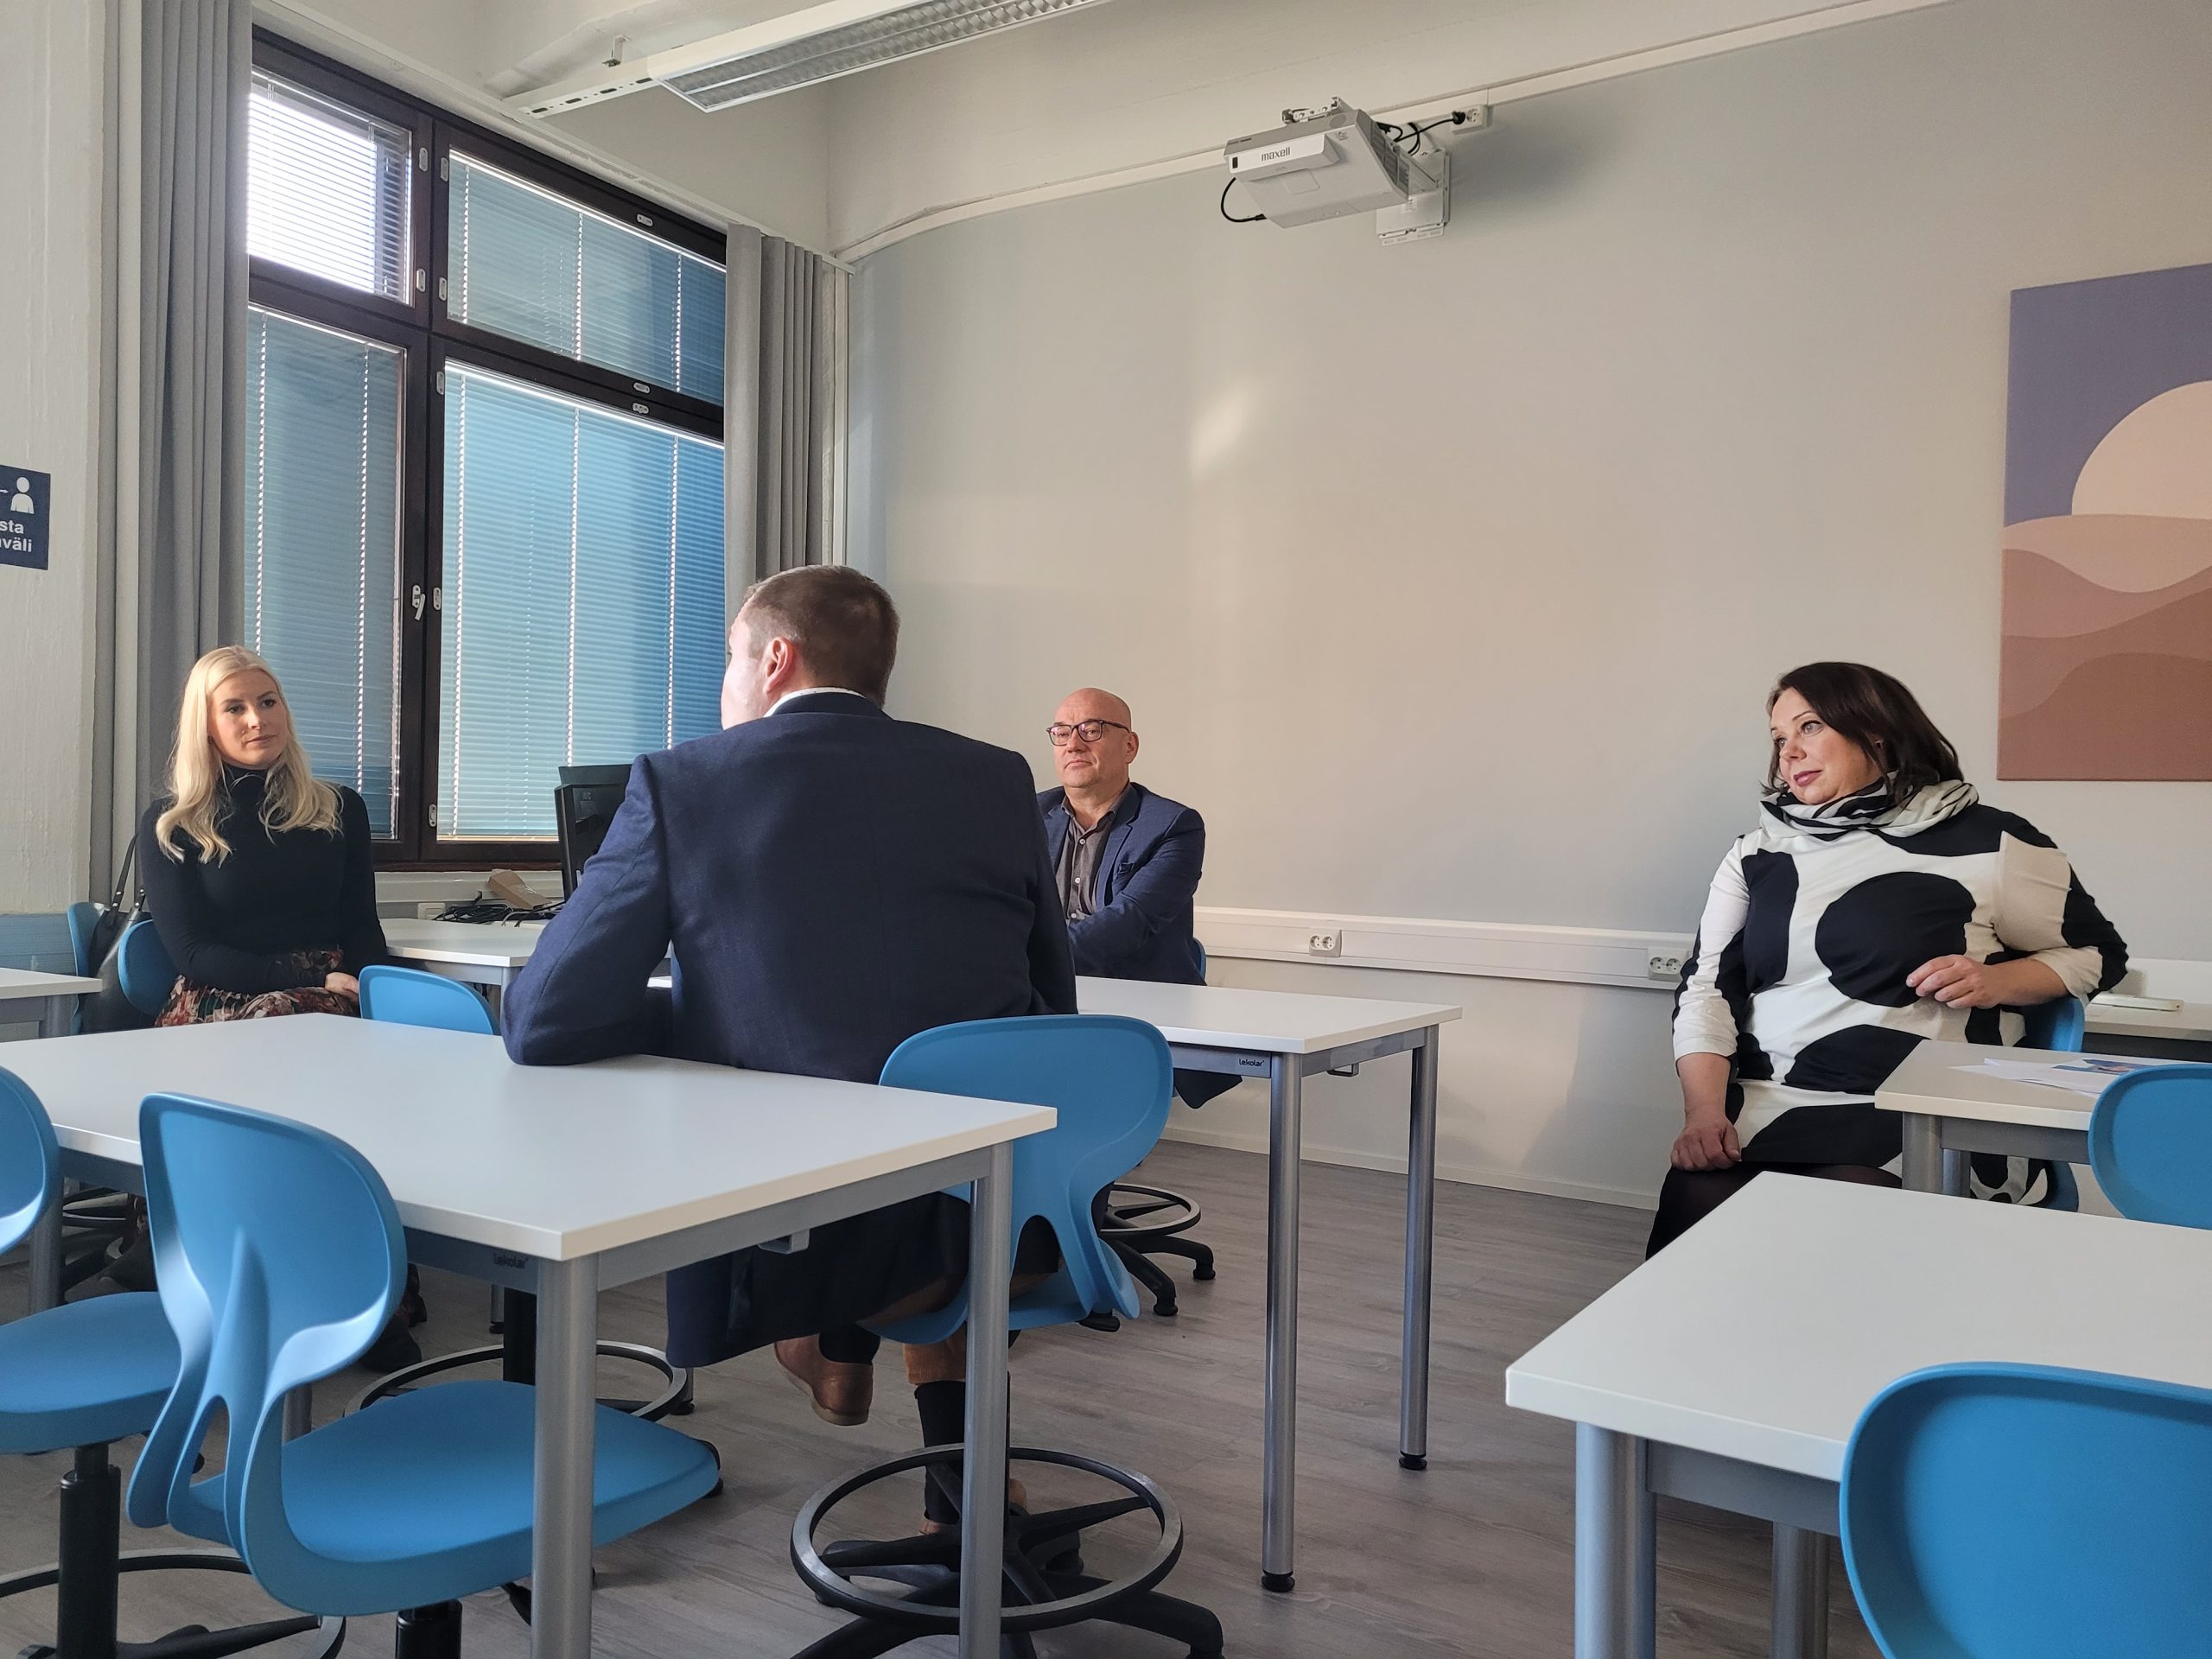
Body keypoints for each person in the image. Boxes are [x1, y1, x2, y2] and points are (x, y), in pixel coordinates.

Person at [502, 567, 1076, 1489]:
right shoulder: (996, 775)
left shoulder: (685, 782)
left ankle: (830, 1343)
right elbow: (1051, 994)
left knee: (831, 1133)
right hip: (1007, 1205)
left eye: (730, 657)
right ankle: (954, 1493)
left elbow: (543, 1020)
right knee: (927, 1120)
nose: (723, 682)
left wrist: (698, 1019)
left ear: (776, 659)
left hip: (808, 1233)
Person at [1649, 661, 2128, 1255]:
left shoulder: (1993, 842)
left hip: (1924, 1108)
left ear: (1874, 729)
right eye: (1778, 738)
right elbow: (1706, 989)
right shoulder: (1756, 854)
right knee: (1696, 1209)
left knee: (1844, 1226)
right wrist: (1703, 1113)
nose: (1789, 753)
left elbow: (2098, 955)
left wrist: (1998, 981)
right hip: (1774, 1099)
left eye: (1809, 727)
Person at [139, 645, 413, 1361]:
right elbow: (190, 953)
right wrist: (294, 985)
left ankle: (356, 1285)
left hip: (328, 994)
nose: (257, 719)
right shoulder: (172, 822)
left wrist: (367, 985)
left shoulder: (338, 808)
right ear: (206, 724)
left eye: (268, 701)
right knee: (284, 1041)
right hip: (222, 998)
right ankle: (265, 1279)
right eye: (234, 707)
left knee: (378, 1051)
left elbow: (361, 926)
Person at [1037, 688, 1234, 1107]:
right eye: (1062, 732)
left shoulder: (1173, 825)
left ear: (1130, 746)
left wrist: (1026, 960)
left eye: (1091, 729)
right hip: (1041, 1004)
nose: (1074, 744)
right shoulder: (1026, 816)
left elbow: (1131, 921)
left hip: (1134, 1013)